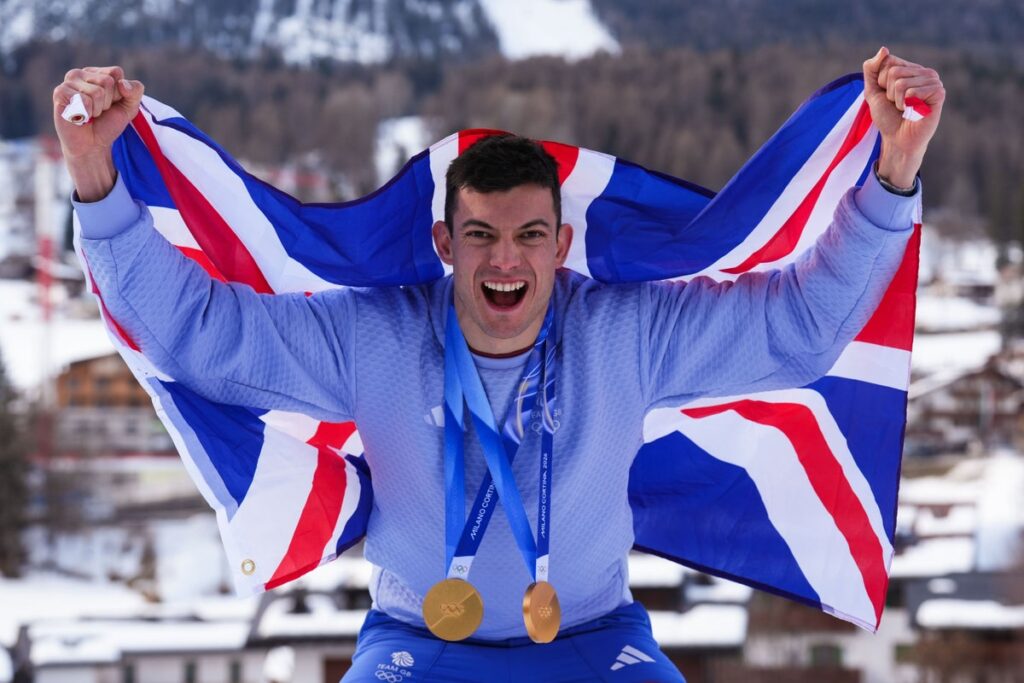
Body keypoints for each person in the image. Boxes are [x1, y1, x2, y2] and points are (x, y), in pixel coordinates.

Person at [53, 47, 943, 682]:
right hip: (417, 644)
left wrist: (894, 170)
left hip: (592, 639)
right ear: (445, 243)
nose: (505, 261)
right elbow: (201, 334)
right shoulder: (373, 335)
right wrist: (95, 176)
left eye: (528, 236)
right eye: (480, 234)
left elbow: (799, 326)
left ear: (562, 243)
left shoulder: (627, 332)